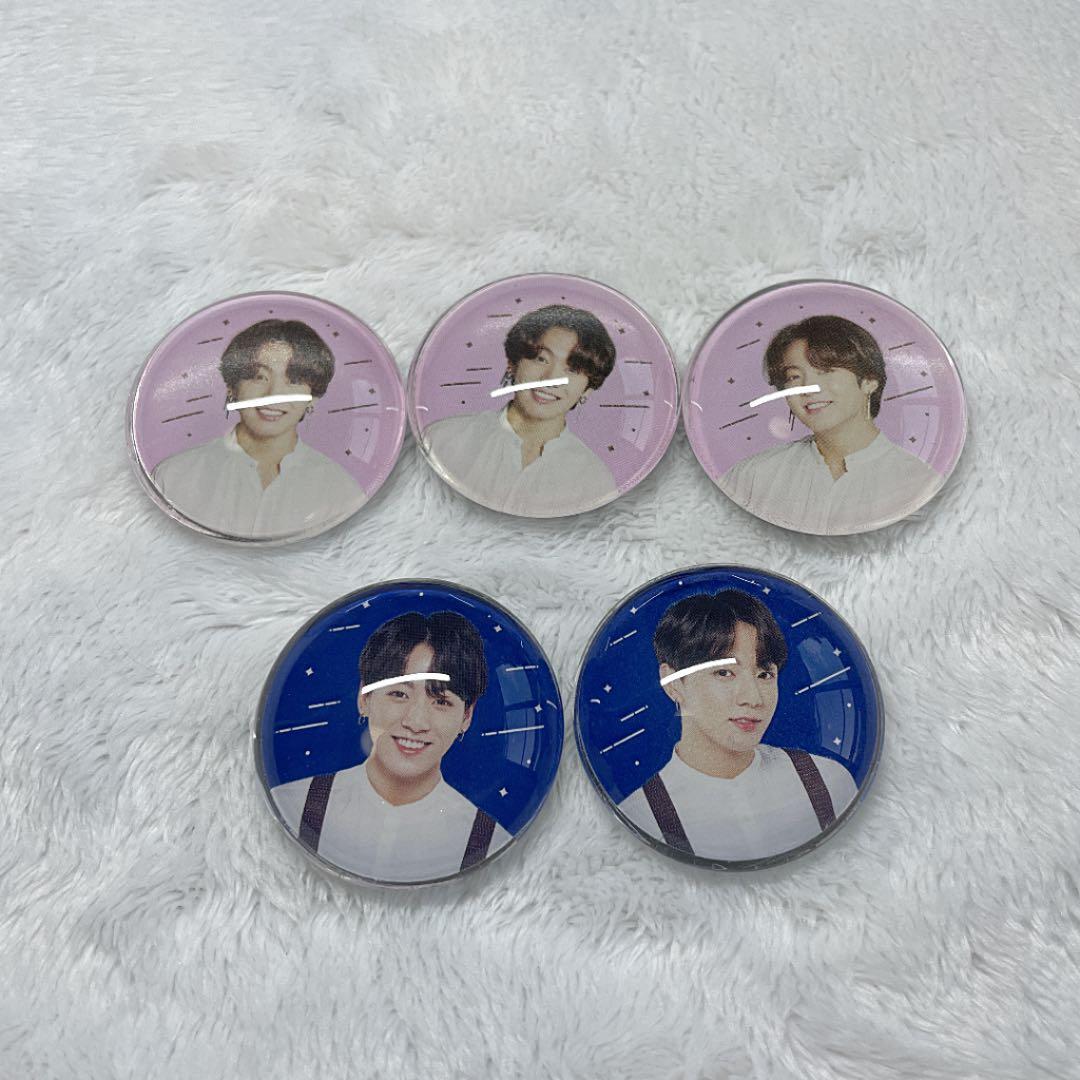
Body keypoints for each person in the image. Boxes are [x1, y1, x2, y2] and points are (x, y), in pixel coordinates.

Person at [271, 610, 512, 883]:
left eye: (441, 701)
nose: (416, 722)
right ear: (365, 697)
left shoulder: (489, 842)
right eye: (399, 694)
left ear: (466, 716)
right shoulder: (294, 803)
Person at [618, 590, 857, 863]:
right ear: (673, 682)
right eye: (724, 673)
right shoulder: (641, 816)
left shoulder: (828, 780)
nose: (753, 698)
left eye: (764, 674)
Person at [720, 315, 942, 534]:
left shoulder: (918, 483)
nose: (808, 388)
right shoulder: (754, 475)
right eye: (794, 377)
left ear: (869, 381)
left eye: (825, 372)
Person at [151, 320, 364, 539]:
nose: (274, 395)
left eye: (293, 380)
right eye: (259, 377)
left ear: (313, 397)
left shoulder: (341, 490)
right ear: (232, 387)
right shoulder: (174, 476)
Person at [422, 304, 619, 516]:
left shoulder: (594, 478)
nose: (551, 379)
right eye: (541, 359)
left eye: (572, 369)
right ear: (513, 364)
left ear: (588, 389)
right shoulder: (444, 438)